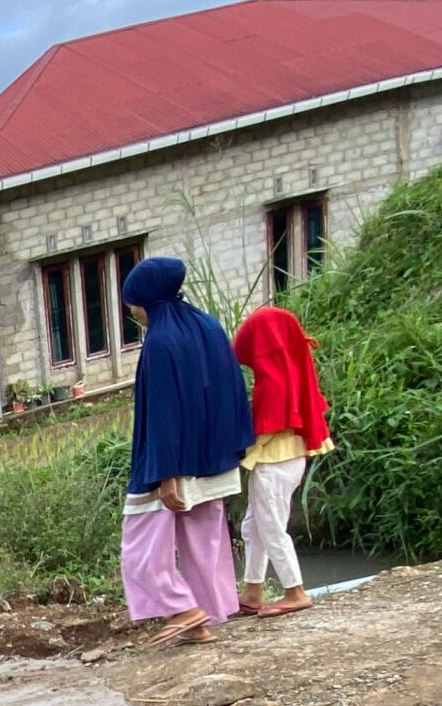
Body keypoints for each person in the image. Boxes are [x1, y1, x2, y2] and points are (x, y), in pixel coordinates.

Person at [118, 257, 253, 646]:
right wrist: (231, 449)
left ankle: (181, 608)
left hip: (169, 462)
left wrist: (166, 473)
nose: (132, 312)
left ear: (147, 299)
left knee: (140, 546)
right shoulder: (208, 326)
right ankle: (202, 620)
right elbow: (230, 390)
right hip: (212, 458)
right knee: (204, 541)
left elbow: (164, 410)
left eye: (133, 303)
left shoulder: (161, 341)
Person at [232, 305, 332, 617]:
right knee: (254, 526)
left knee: (271, 527)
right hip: (290, 459)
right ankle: (253, 589)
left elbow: (266, 427)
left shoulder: (273, 382)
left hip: (274, 462)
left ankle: (295, 591)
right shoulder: (292, 371)